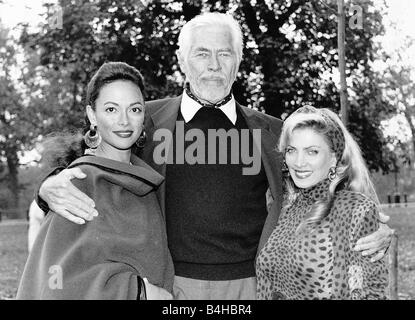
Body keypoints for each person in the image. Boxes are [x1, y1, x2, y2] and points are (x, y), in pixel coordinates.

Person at [35, 13, 393, 300]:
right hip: (169, 284)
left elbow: (328, 184)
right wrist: (47, 185)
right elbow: (89, 157)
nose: (214, 65)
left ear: (238, 61)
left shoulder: (273, 132)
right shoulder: (145, 119)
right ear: (182, 60)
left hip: (253, 284)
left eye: (225, 54)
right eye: (202, 53)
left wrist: (373, 228)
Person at [17, 62, 174, 300]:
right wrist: (138, 292)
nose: (124, 121)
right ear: (93, 115)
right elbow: (56, 281)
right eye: (111, 109)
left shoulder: (147, 178)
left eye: (134, 109)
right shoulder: (77, 181)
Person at [256, 106, 389, 299]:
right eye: (292, 150)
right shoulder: (285, 205)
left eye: (312, 152)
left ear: (334, 157)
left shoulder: (355, 209)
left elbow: (371, 292)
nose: (299, 162)